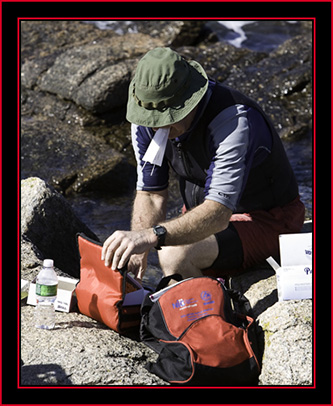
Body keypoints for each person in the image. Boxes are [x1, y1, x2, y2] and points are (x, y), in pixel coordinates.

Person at [101, 47, 305, 283]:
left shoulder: (233, 121)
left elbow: (218, 213)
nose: (157, 128)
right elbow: (151, 194)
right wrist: (137, 246)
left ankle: (207, 316)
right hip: (204, 216)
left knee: (173, 255)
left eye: (167, 118)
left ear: (190, 101)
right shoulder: (146, 115)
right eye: (152, 120)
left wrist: (152, 234)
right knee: (127, 251)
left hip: (266, 220)